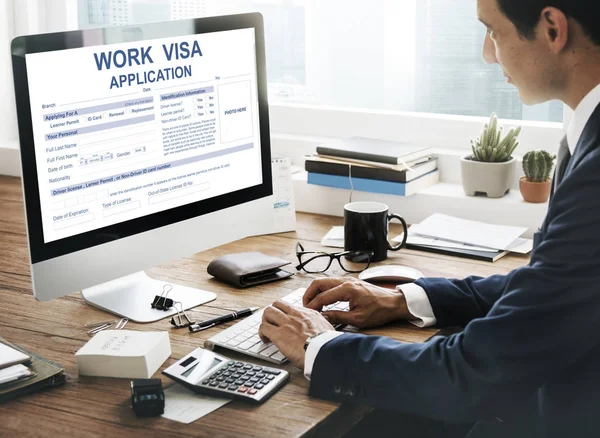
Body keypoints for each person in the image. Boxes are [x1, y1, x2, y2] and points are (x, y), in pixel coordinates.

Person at [258, 0, 600, 437]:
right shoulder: (586, 129)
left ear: (552, 29)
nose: (487, 54)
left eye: (493, 31)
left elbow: (470, 376)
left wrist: (318, 346)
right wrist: (407, 300)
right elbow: (552, 285)